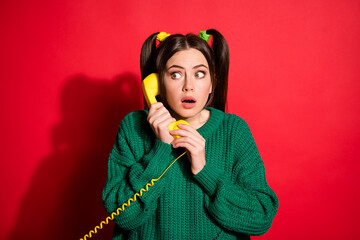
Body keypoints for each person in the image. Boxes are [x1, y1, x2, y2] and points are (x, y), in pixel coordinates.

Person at [102, 29, 279, 240]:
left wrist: (205, 171)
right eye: (175, 74)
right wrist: (160, 150)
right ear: (157, 83)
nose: (188, 86)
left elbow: (260, 217)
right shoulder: (133, 126)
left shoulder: (234, 129)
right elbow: (122, 216)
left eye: (199, 74)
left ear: (212, 82)